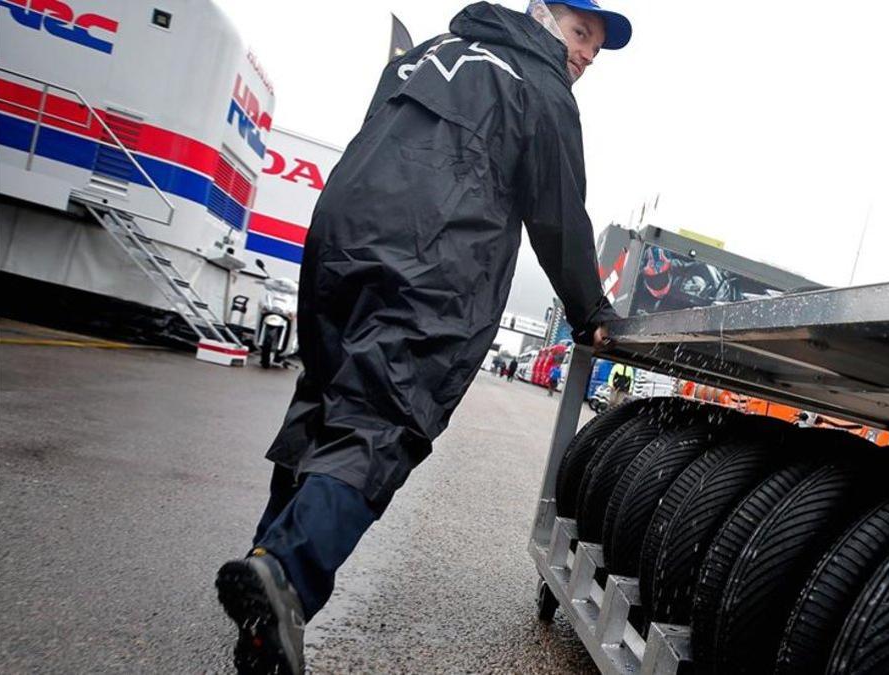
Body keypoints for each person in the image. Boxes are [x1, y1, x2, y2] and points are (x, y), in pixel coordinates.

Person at [214, 2, 630, 673]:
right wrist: (591, 311)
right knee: (382, 415)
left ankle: (265, 581)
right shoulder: (539, 84)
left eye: (597, 47)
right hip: (434, 259)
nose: (587, 54)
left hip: (341, 239)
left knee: (324, 400)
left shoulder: (431, 53)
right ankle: (285, 575)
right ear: (544, 18)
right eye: (582, 34)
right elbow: (557, 212)